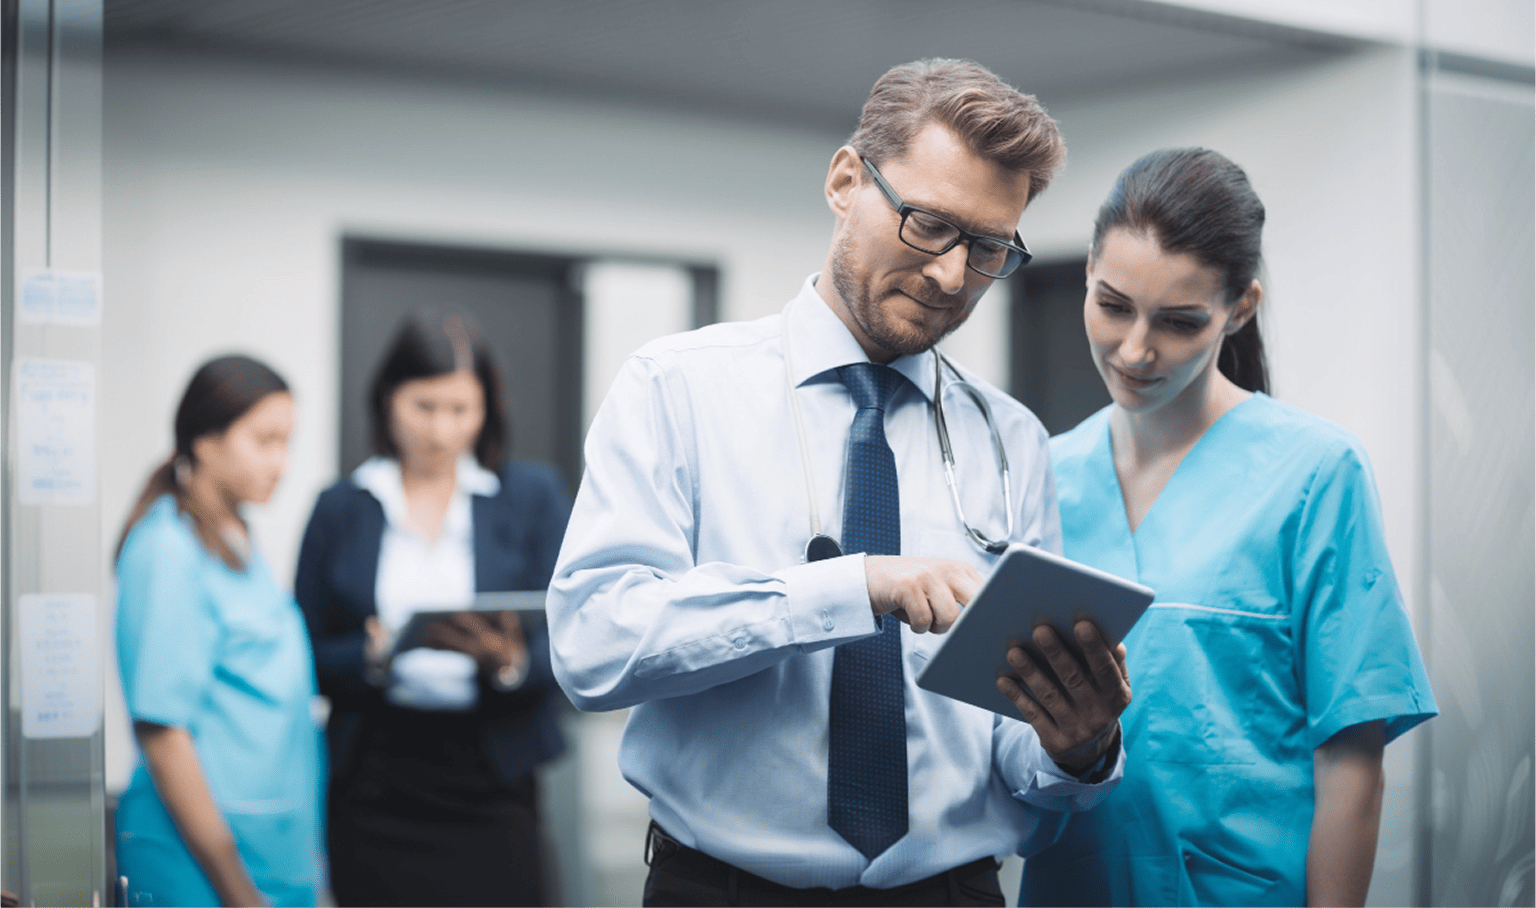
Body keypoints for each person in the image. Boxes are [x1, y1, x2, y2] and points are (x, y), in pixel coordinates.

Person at [549, 58, 1134, 908]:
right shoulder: (678, 386)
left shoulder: (1010, 441)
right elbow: (593, 648)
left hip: (950, 893)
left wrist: (1073, 747)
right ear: (845, 180)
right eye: (929, 225)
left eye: (987, 248)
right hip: (724, 890)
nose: (948, 275)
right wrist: (850, 587)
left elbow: (1012, 750)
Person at [1019, 148, 1438, 908]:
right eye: (1113, 305)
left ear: (1240, 307)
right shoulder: (1041, 474)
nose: (1136, 350)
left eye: (1180, 322)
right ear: (1087, 274)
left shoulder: (1315, 474)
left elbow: (1352, 762)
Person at [295, 306, 571, 908]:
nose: (442, 431)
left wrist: (509, 664)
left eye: (460, 410)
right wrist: (371, 655)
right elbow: (303, 654)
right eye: (424, 407)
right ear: (387, 400)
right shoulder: (340, 508)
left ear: (486, 410)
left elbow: (574, 642)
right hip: (373, 777)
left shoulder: (531, 496)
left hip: (492, 775)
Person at [115, 355, 321, 907]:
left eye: (288, 442)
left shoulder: (237, 545)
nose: (281, 462)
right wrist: (238, 892)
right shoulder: (167, 549)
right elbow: (164, 736)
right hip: (204, 872)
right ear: (205, 441)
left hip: (273, 859)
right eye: (264, 441)